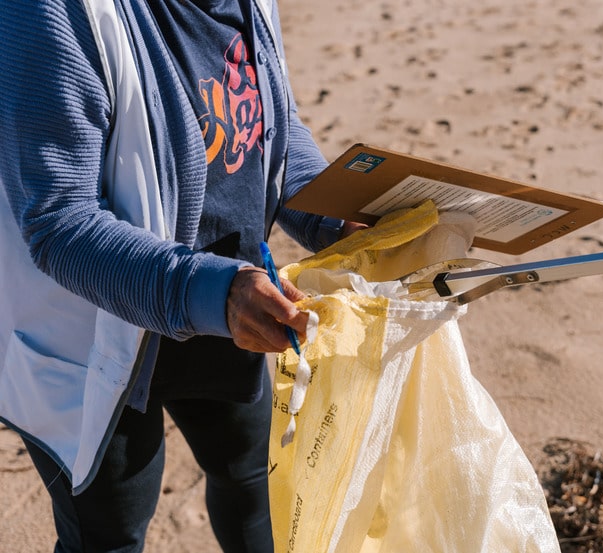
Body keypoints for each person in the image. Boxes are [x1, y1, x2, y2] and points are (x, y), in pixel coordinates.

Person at [0, 0, 363, 550]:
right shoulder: (47, 13)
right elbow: (59, 222)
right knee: (110, 532)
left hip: (233, 303)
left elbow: (266, 126)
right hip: (97, 331)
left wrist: (333, 218)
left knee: (252, 481)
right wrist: (214, 294)